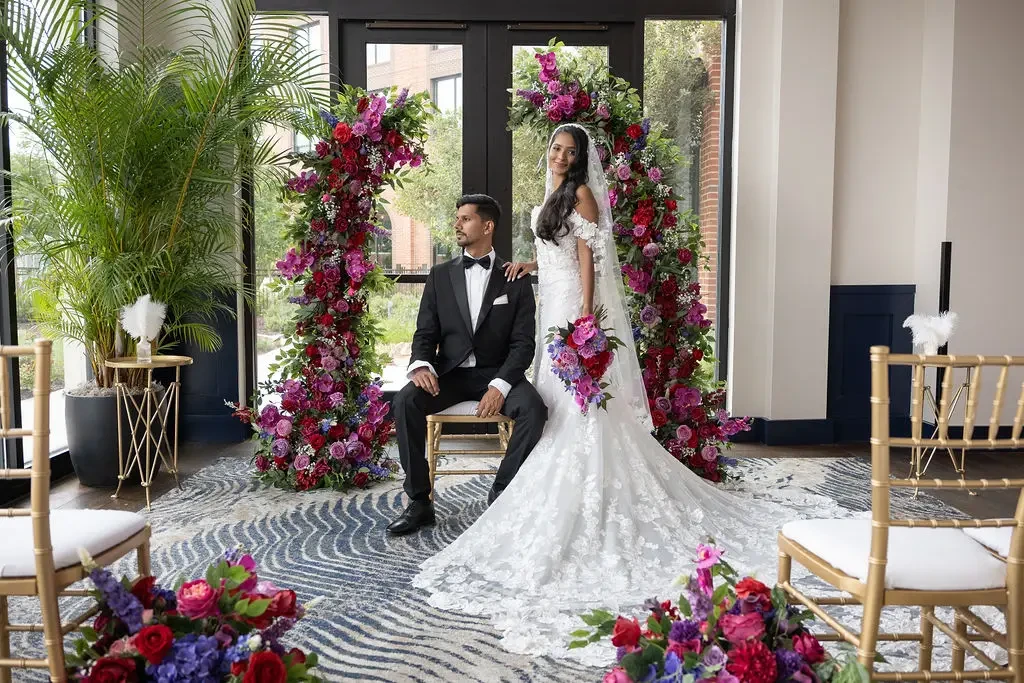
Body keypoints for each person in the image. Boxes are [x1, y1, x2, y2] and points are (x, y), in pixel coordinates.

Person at [411, 125, 842, 665]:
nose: (561, 157)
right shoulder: (550, 197)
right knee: (551, 408)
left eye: (570, 151)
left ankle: (592, 497)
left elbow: (590, 258)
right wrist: (530, 266)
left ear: (582, 158)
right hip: (552, 308)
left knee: (581, 414)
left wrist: (585, 320)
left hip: (573, 311)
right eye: (556, 149)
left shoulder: (583, 195)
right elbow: (557, 254)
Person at [387, 194, 548, 536]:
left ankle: (502, 494)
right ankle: (419, 502)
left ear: (487, 226)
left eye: (465, 218)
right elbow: (425, 332)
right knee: (405, 401)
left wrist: (500, 385)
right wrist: (421, 365)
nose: (456, 224)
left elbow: (523, 345)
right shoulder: (440, 275)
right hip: (451, 375)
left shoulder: (514, 279)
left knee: (535, 409)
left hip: (498, 372)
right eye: (457, 218)